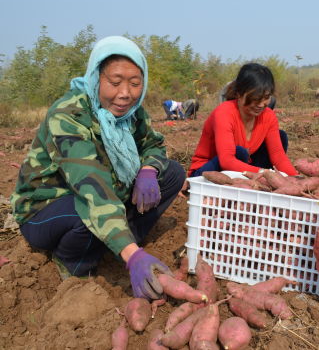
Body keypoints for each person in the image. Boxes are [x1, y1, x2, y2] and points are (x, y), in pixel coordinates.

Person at [10, 36, 186, 300]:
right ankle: (73, 262)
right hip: (46, 208)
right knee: (87, 211)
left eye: (135, 83)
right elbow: (92, 185)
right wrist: (134, 257)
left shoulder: (132, 113)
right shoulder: (68, 115)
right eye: (115, 83)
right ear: (96, 78)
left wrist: (148, 170)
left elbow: (154, 146)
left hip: (104, 191)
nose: (125, 93)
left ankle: (118, 241)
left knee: (172, 173)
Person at [189, 63, 296, 177]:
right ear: (239, 94)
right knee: (239, 153)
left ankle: (256, 184)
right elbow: (227, 161)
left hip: (241, 170)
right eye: (255, 99)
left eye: (266, 98)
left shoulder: (268, 116)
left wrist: (296, 179)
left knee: (281, 136)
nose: (260, 104)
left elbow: (278, 157)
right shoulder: (224, 113)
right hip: (205, 173)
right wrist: (265, 173)